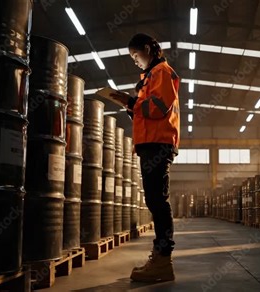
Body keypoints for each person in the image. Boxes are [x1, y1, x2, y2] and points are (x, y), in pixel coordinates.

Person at [111, 33, 180, 282]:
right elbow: (144, 113)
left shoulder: (162, 71)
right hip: (150, 143)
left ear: (149, 49)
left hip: (158, 144)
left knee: (157, 200)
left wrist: (131, 101)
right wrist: (130, 105)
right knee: (154, 199)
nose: (134, 61)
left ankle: (163, 260)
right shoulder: (149, 76)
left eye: (135, 55)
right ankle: (161, 257)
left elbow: (159, 108)